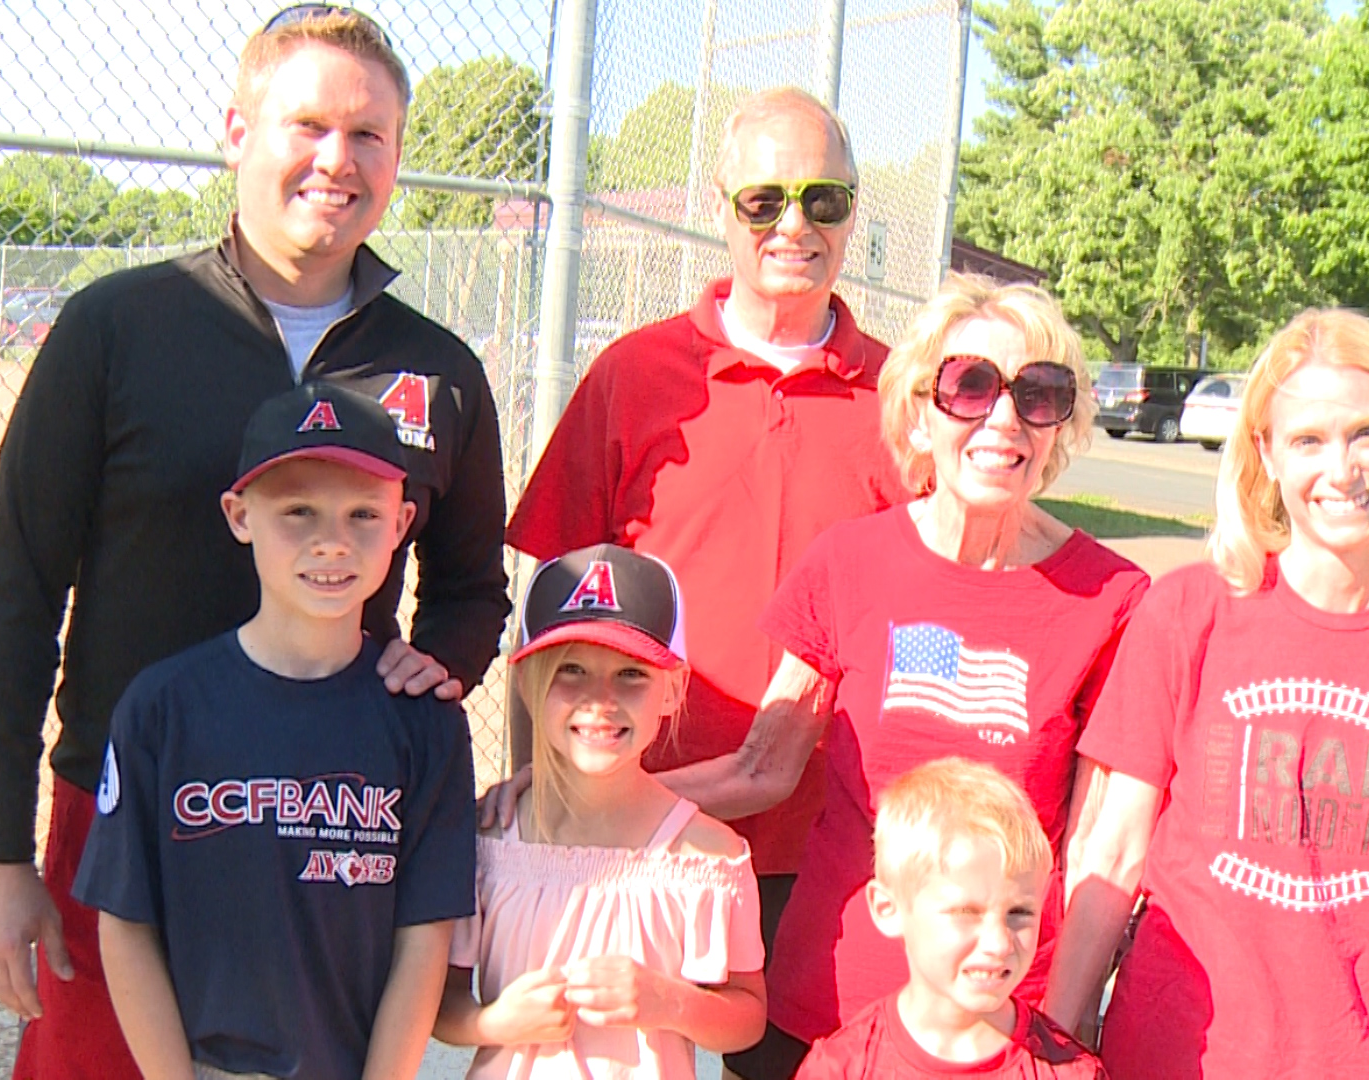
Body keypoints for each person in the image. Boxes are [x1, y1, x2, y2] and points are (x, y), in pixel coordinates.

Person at [0, 8, 509, 1077]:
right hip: (129, 821)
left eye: (369, 136)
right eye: (307, 124)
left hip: (332, 832)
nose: (336, 161)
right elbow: (20, 590)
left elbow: (470, 587)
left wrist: (434, 665)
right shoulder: (119, 325)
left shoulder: (437, 368)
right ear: (236, 130)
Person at [628, 274, 1146, 1078]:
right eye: (971, 386)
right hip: (825, 1017)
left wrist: (1065, 1027)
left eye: (1038, 395)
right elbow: (762, 768)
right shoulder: (850, 562)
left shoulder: (1109, 599)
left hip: (996, 1027)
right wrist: (587, 807)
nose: (1003, 419)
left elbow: (1097, 848)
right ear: (918, 408)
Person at [501, 86, 907, 1077]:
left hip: (822, 848)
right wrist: (538, 804)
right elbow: (548, 611)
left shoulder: (901, 400)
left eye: (824, 200)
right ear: (721, 205)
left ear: (854, 211)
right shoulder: (638, 377)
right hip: (640, 831)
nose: (794, 226)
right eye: (764, 201)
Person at [1047, 308, 1369, 1079]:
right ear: (1265, 455)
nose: (1341, 470)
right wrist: (1058, 1038)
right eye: (1308, 440)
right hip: (1177, 1054)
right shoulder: (1187, 614)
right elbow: (1114, 847)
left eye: (1368, 434)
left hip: (1368, 1059)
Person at [73, 382, 475, 1079]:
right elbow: (125, 923)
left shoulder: (426, 720)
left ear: (403, 521)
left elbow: (423, 938)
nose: (332, 542)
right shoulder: (163, 708)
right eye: (298, 511)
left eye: (362, 514)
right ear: (239, 515)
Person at [436, 544, 767, 1078]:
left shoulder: (709, 855)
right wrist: (496, 1022)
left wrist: (668, 1001)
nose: (600, 699)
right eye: (571, 669)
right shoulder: (484, 842)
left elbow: (748, 1016)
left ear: (672, 688)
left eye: (631, 674)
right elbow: (441, 1006)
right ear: (525, 682)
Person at [796, 758, 1105, 1079]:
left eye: (1019, 913)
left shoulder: (1071, 1072)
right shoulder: (841, 1068)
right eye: (966, 913)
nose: (998, 942)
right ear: (888, 909)